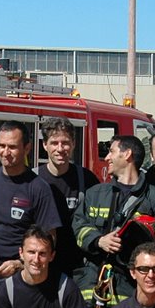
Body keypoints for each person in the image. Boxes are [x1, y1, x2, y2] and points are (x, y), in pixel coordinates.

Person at [73, 134, 155, 306]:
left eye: (111, 151)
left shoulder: (154, 198)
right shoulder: (95, 193)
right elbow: (77, 227)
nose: (107, 157)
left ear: (127, 155)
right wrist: (98, 240)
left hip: (131, 288)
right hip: (92, 285)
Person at [0, 120, 62, 279]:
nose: (5, 152)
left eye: (12, 147)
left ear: (27, 148)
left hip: (19, 274)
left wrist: (20, 263)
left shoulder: (39, 188)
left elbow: (49, 237)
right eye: (1, 146)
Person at [33, 117, 99, 281]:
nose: (60, 149)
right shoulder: (32, 179)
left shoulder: (87, 179)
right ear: (44, 145)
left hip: (80, 269)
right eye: (54, 143)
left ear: (74, 144)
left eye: (65, 143)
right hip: (43, 267)